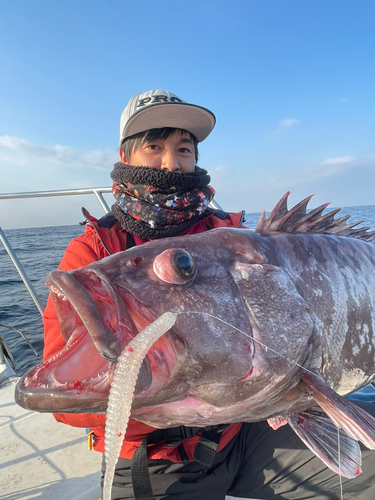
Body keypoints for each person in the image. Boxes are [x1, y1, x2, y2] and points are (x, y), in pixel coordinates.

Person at [42, 90, 375, 500]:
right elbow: (64, 396)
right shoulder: (93, 256)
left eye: (183, 148)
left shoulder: (235, 238)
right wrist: (191, 398)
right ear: (125, 156)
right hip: (160, 460)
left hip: (246, 433)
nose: (171, 162)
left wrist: (266, 396)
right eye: (154, 147)